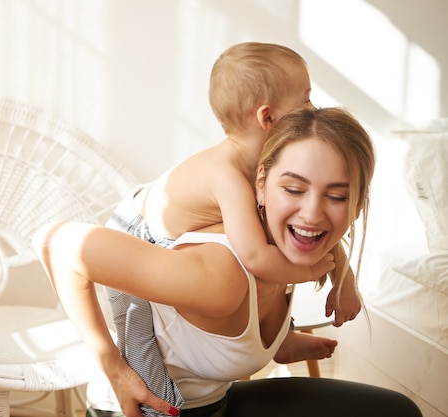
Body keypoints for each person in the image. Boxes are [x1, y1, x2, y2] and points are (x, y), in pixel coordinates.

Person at [34, 107, 422, 417]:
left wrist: (288, 341)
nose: (312, 214)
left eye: (337, 196)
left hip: (216, 403)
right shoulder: (221, 276)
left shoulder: (291, 252)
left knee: (395, 411)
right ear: (261, 185)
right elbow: (57, 245)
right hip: (150, 410)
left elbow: (229, 341)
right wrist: (114, 369)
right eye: (293, 189)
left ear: (356, 206)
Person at [103, 42, 359, 415]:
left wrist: (344, 276)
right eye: (305, 101)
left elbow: (301, 233)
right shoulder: (228, 174)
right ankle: (153, 407)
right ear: (268, 117)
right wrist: (319, 269)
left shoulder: (264, 165)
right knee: (141, 352)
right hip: (131, 238)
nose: (313, 110)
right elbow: (256, 257)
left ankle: (277, 339)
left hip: (161, 230)